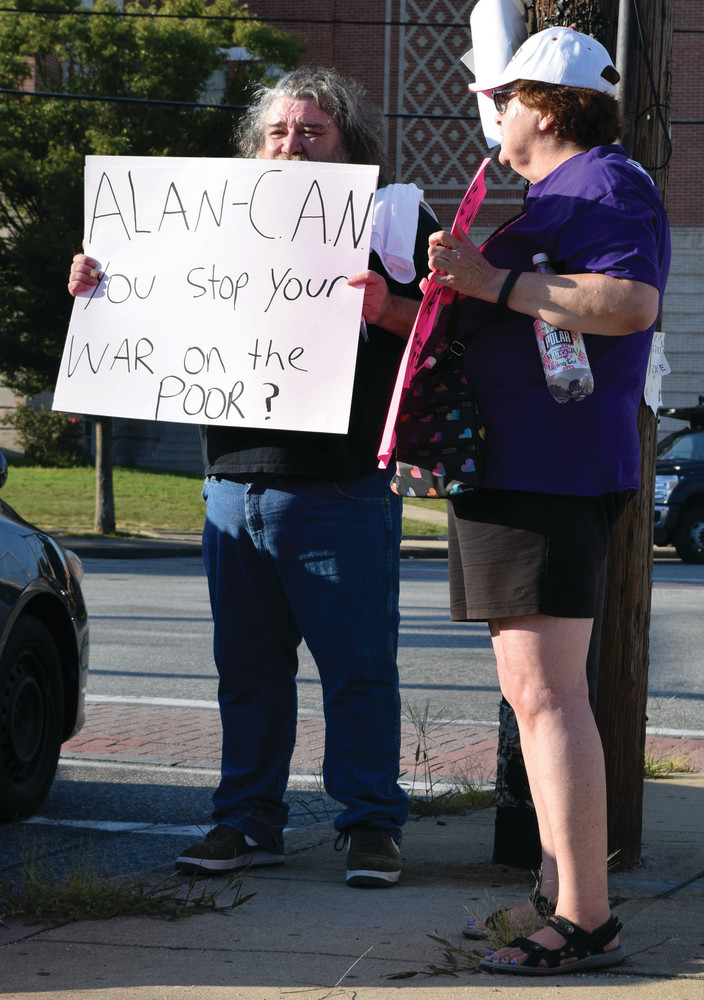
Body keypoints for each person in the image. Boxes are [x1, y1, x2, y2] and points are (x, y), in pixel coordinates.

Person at [68, 67, 437, 887]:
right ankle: (246, 822)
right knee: (249, 675)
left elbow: (450, 330)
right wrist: (98, 288)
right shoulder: (201, 223)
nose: (293, 143)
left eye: (313, 132)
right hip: (232, 488)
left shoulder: (390, 220)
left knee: (358, 671)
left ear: (349, 146)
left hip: (339, 488)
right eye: (279, 131)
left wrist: (389, 309)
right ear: (256, 143)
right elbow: (147, 309)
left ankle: (373, 826)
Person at [423, 27, 670, 972]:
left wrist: (494, 279)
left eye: (499, 99)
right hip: (528, 467)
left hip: (546, 470)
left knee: (548, 695)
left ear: (543, 105)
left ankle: (586, 918)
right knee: (536, 695)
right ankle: (566, 892)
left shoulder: (604, 183)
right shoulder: (569, 191)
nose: (490, 114)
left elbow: (627, 304)